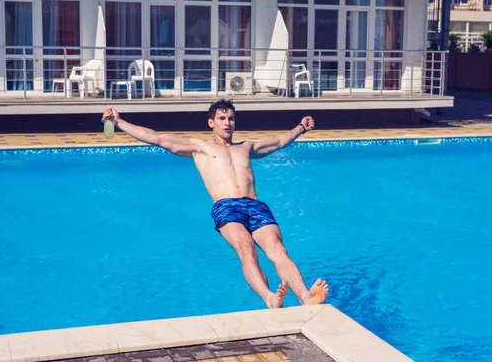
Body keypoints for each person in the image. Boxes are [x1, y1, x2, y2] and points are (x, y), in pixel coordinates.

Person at [102, 100, 329, 309]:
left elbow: (279, 141)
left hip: (256, 205)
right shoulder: (200, 148)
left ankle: (305, 297)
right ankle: (270, 298)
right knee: (246, 249)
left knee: (278, 250)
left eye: (230, 118)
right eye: (222, 118)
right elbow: (157, 138)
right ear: (211, 123)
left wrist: (301, 127)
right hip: (227, 207)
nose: (227, 123)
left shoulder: (246, 147)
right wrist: (119, 122)